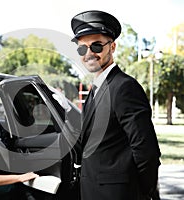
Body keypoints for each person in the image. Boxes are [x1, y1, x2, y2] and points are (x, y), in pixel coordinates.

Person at [70, 10, 161, 200]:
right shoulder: (96, 89)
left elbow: (146, 151)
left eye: (96, 46)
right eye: (82, 48)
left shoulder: (124, 87)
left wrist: (143, 192)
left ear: (112, 47)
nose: (89, 54)